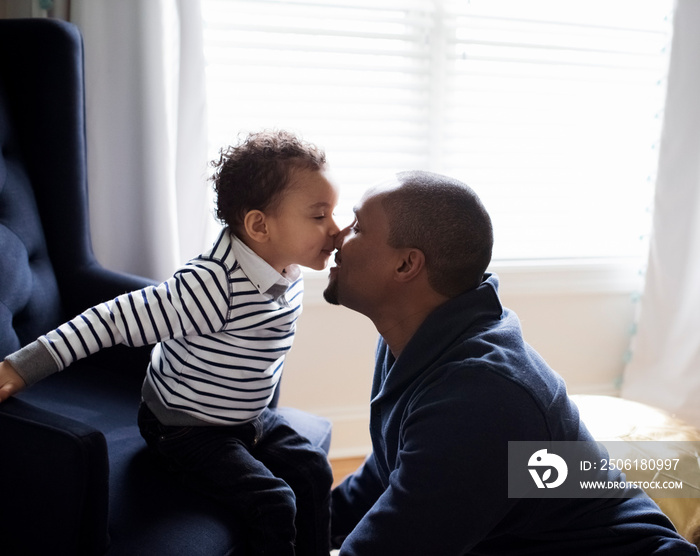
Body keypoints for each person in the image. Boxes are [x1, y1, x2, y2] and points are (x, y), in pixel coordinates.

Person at [323, 170, 700, 555]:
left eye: (358, 226)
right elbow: (390, 472)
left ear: (406, 266)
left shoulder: (477, 397)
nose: (337, 234)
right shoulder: (414, 343)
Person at [0, 130, 339, 556]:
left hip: (245, 416)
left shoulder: (285, 265)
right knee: (274, 501)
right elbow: (110, 319)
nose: (336, 229)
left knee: (310, 468)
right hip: (185, 429)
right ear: (259, 225)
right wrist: (21, 367)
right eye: (319, 215)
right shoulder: (211, 286)